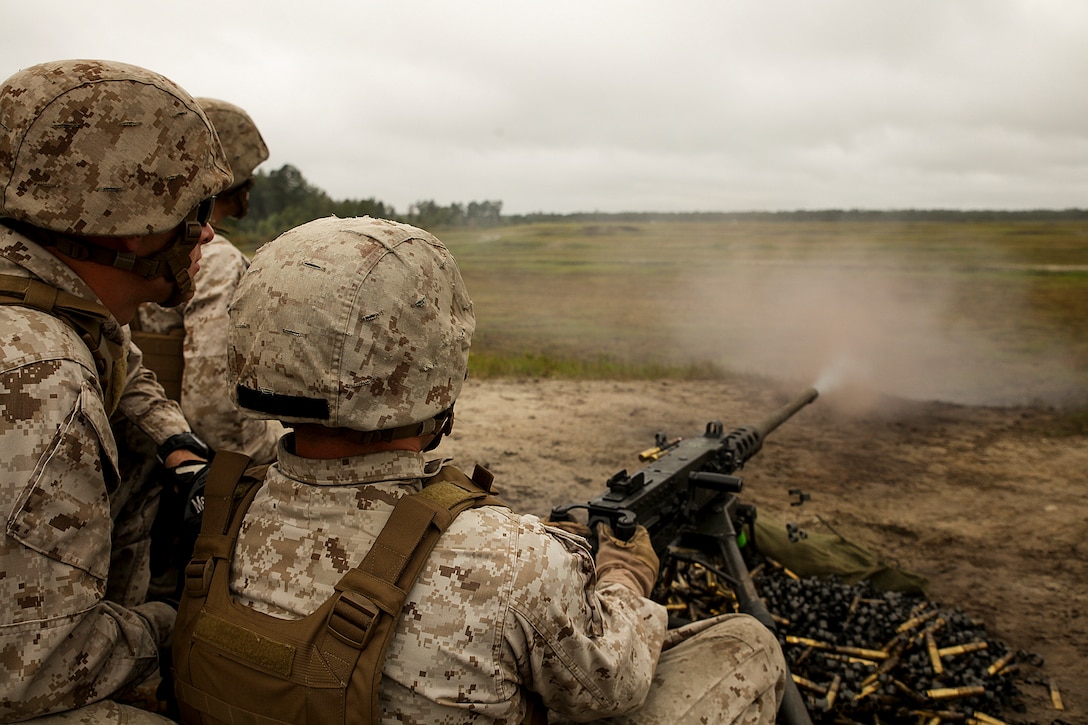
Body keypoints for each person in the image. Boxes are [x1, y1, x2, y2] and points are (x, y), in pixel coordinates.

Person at [172, 216, 787, 724]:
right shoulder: (516, 561)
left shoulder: (219, 506)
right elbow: (610, 687)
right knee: (748, 645)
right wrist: (625, 580)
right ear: (432, 366)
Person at [0, 59, 232, 722]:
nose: (208, 232)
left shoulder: (44, 298)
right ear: (134, 221)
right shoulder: (43, 380)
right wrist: (168, 623)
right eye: (194, 210)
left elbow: (124, 360)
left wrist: (176, 444)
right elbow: (36, 671)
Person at [129, 97, 284, 464]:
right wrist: (271, 459)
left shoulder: (134, 243)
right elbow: (213, 411)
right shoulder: (217, 260)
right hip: (170, 470)